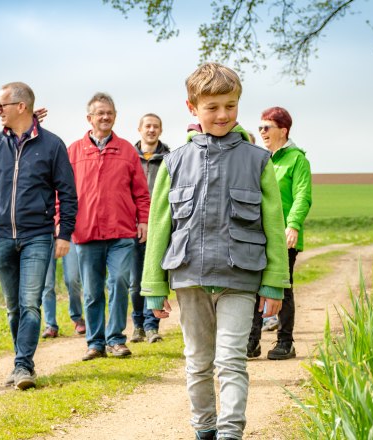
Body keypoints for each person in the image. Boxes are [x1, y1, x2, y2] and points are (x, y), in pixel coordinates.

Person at [141, 62, 291, 440]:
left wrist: (274, 284)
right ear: (192, 107)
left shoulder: (258, 161)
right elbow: (160, 226)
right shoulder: (174, 161)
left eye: (231, 105)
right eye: (213, 107)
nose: (223, 114)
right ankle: (204, 428)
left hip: (240, 277)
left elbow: (273, 224)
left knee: (230, 360)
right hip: (189, 276)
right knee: (198, 362)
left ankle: (230, 432)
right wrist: (154, 286)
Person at [0, 82, 77, 390]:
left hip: (38, 236)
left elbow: (67, 193)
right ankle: (22, 360)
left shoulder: (52, 145)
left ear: (21, 106)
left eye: (0, 106)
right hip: (2, 235)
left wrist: (64, 233)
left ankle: (23, 365)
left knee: (30, 302)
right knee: (13, 305)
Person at [68, 92, 150, 361]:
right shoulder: (73, 151)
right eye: (100, 113)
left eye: (109, 113)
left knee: (119, 282)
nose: (105, 117)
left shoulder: (127, 150)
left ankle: (116, 339)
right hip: (86, 232)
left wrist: (144, 220)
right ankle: (95, 343)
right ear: (89, 118)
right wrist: (62, 224)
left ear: (115, 116)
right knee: (92, 291)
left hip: (121, 232)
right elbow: (63, 193)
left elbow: (141, 191)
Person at [246, 106, 312, 361]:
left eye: (267, 127)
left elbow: (302, 196)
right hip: (257, 234)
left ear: (283, 130)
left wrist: (293, 225)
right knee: (253, 286)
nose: (261, 132)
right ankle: (252, 342)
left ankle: (286, 342)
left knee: (282, 288)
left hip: (284, 235)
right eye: (260, 127)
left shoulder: (297, 159)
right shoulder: (261, 160)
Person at [129, 113, 169, 344]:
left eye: (156, 126)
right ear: (140, 129)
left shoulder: (169, 158)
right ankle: (138, 326)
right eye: (147, 126)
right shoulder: (129, 156)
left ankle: (152, 326)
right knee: (136, 281)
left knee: (154, 279)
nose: (151, 130)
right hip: (133, 227)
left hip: (159, 226)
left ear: (160, 131)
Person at [40, 242, 85, 338]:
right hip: (45, 235)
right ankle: (50, 325)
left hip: (68, 233)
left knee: (72, 279)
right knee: (47, 284)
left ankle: (77, 318)